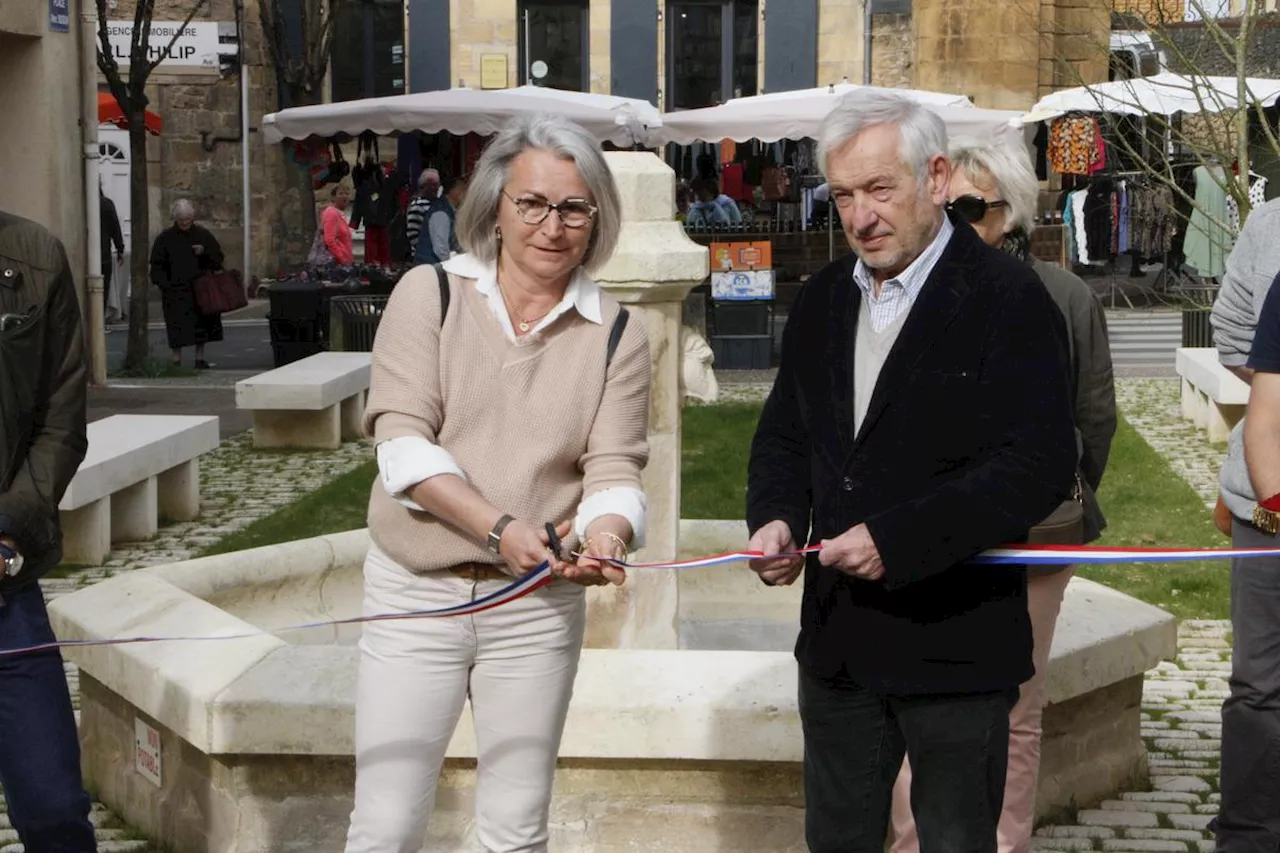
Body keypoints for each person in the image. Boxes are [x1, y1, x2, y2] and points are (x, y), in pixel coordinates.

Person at [745, 90, 1077, 853]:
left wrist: (899, 538)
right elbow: (783, 435)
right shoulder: (825, 297)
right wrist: (775, 517)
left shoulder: (1007, 296)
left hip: (956, 644)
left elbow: (1039, 463)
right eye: (843, 195)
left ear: (934, 178)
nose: (859, 215)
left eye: (879, 189)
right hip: (838, 649)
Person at [345, 113, 651, 853]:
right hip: (420, 592)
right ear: (496, 207)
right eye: (533, 203)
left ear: (597, 217)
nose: (554, 224)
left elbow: (615, 467)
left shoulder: (616, 331)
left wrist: (605, 536)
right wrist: (499, 529)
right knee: (386, 823)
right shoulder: (431, 295)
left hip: (536, 604)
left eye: (574, 207)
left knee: (516, 829)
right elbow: (403, 448)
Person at [889, 137, 1117, 853]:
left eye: (969, 207)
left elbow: (1094, 412)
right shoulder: (907, 287)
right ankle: (910, 842)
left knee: (1017, 702)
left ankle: (1005, 842)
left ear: (1009, 214)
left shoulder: (1062, 294)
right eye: (942, 204)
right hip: (934, 527)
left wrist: (1064, 496)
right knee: (917, 695)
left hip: (1033, 530)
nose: (952, 219)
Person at [0, 210, 96, 852]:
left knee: (54, 807)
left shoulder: (33, 255)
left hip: (5, 583)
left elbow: (60, 418)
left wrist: (9, 534)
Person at [1210, 199, 1280, 852]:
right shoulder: (1271, 224)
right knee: (1260, 682)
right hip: (1269, 508)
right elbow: (1232, 333)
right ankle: (1249, 834)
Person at [149, 198, 224, 369]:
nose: (184, 223)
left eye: (187, 219)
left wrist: (204, 252)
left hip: (200, 288)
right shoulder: (165, 238)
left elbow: (218, 259)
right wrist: (164, 284)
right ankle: (176, 358)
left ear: (193, 218)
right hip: (175, 289)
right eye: (181, 220)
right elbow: (157, 264)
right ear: (175, 218)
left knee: (203, 324)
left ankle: (199, 357)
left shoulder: (203, 235)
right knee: (176, 326)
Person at [413, 174, 467, 265]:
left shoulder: (451, 211)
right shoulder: (441, 212)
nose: (465, 192)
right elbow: (441, 250)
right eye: (461, 188)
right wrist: (454, 265)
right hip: (429, 267)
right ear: (451, 191)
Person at [100, 189, 124, 323]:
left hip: (96, 253)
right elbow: (115, 227)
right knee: (102, 291)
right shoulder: (106, 204)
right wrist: (120, 248)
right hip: (104, 254)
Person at [405, 168, 441, 258]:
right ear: (422, 186)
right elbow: (413, 235)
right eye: (432, 185)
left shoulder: (438, 204)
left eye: (437, 185)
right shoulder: (417, 206)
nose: (435, 188)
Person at [322, 184, 355, 266]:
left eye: (347, 194)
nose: (345, 196)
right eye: (340, 194)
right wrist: (342, 259)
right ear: (333, 198)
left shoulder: (339, 214)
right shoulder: (331, 213)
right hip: (337, 264)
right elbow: (329, 240)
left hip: (345, 262)